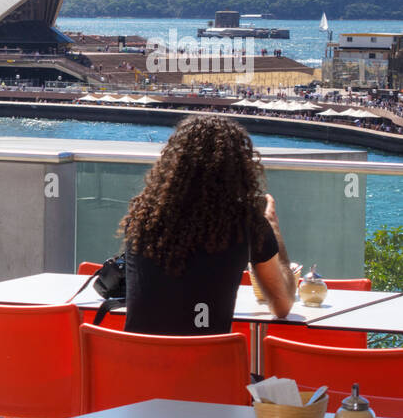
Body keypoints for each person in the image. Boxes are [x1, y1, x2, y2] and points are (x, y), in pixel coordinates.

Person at [120, 116, 297, 336]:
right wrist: (273, 227)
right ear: (238, 169)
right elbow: (282, 306)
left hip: (135, 365)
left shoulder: (142, 217)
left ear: (172, 164)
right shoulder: (245, 221)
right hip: (209, 367)